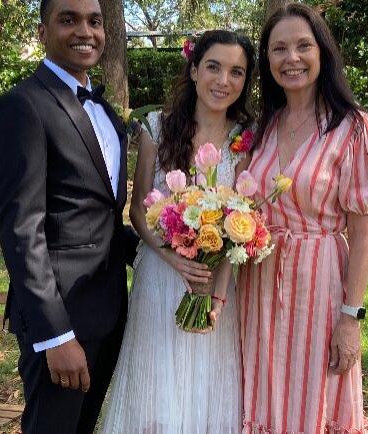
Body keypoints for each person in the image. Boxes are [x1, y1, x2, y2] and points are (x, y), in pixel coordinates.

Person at [0, 0, 138, 434]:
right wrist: (56, 334)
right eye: (68, 19)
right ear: (43, 31)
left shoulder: (108, 115)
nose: (84, 31)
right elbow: (21, 230)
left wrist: (170, 253)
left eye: (94, 21)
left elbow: (102, 219)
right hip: (61, 321)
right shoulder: (22, 107)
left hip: (108, 312)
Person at [238, 3, 368, 434]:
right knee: (263, 393)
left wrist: (350, 318)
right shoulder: (261, 127)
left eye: (303, 46)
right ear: (266, 61)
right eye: (278, 49)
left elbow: (363, 235)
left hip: (318, 285)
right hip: (258, 281)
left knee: (313, 395)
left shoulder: (354, 128)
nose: (292, 58)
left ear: (322, 52)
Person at [100, 30, 256, 434]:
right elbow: (138, 210)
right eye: (214, 67)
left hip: (212, 283)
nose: (224, 81)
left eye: (237, 72)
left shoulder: (243, 140)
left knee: (206, 385)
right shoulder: (157, 127)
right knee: (156, 389)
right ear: (193, 69)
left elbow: (240, 224)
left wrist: (217, 294)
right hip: (160, 276)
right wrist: (171, 258)